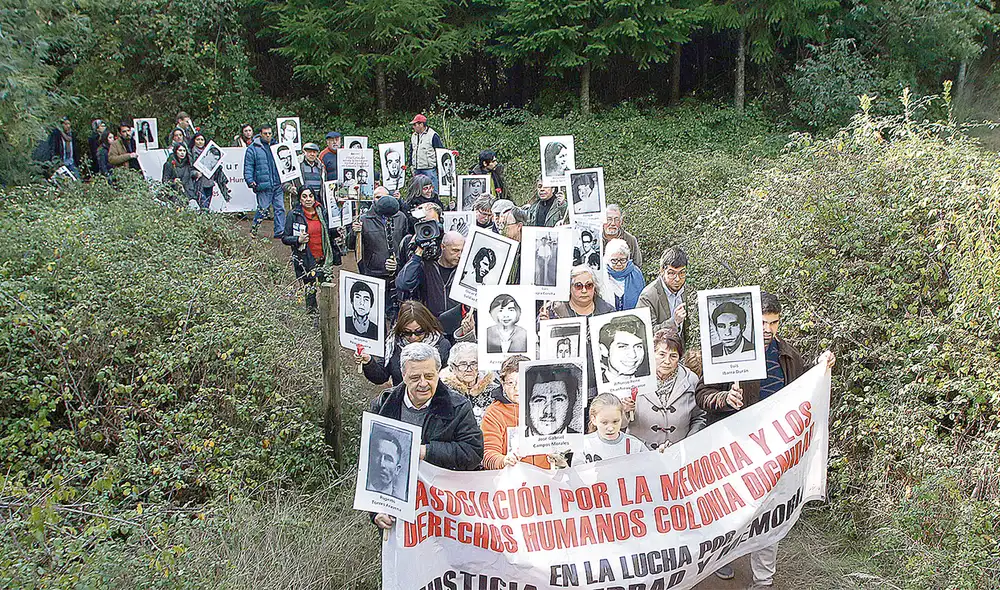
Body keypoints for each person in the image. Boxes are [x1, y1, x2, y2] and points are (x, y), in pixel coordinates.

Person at [696, 292, 837, 586]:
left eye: (774, 322)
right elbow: (702, 395)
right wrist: (725, 397)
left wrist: (822, 367)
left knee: (769, 514)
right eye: (762, 322)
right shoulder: (727, 351)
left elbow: (803, 391)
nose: (768, 329)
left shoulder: (788, 356)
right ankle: (722, 559)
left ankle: (763, 579)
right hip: (735, 448)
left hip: (774, 449)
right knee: (732, 510)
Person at [370, 342, 484, 532]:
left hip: (443, 509)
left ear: (439, 373)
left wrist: (426, 451)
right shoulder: (383, 405)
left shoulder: (458, 407)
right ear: (403, 375)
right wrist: (375, 512)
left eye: (430, 376)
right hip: (397, 511)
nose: (423, 383)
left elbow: (472, 452)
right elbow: (370, 462)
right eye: (415, 377)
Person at [539, 266, 614, 402]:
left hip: (601, 389)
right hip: (564, 387)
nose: (584, 290)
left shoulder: (608, 312)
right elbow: (538, 346)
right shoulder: (551, 311)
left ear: (595, 287)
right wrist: (542, 327)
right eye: (578, 286)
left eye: (589, 285)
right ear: (569, 288)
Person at [625, 328, 705, 450]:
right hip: (640, 455)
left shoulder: (691, 380)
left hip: (680, 455)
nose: (667, 361)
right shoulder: (632, 379)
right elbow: (617, 423)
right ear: (652, 354)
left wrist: (689, 444)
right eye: (662, 354)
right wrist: (623, 411)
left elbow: (699, 417)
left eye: (673, 356)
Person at [480, 355, 555, 469]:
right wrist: (503, 460)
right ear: (502, 384)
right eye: (510, 383)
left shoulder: (547, 407)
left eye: (522, 382)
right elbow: (487, 455)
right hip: (511, 481)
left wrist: (560, 456)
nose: (516, 388)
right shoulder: (494, 413)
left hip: (545, 480)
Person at [357, 301, 452, 386]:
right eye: (407, 333)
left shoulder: (442, 346)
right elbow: (381, 377)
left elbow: (448, 381)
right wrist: (369, 362)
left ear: (427, 327)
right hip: (401, 400)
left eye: (419, 332)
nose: (413, 337)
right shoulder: (393, 343)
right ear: (401, 330)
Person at [351, 189, 408, 320]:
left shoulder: (401, 217)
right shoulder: (364, 219)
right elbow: (350, 246)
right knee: (376, 313)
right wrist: (355, 232)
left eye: (384, 197)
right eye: (377, 197)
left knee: (395, 313)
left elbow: (405, 244)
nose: (381, 200)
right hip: (374, 273)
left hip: (396, 274)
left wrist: (398, 263)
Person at [282, 186, 336, 314]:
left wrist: (338, 232)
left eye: (310, 196)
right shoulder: (294, 215)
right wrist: (297, 239)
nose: (308, 199)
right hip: (306, 260)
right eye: (304, 196)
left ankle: (327, 316)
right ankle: (313, 319)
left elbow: (329, 232)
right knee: (310, 292)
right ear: (300, 199)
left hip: (323, 259)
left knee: (326, 289)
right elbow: (284, 238)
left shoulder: (322, 212)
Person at [395, 224, 462, 317]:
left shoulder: (464, 270)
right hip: (430, 324)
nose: (459, 255)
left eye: (462, 251)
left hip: (457, 324)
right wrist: (418, 253)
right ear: (443, 247)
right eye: (455, 250)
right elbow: (403, 283)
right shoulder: (426, 267)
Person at [574, 394, 647, 464]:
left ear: (621, 417)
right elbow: (575, 474)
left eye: (615, 421)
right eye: (604, 423)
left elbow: (651, 467)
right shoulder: (584, 445)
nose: (610, 428)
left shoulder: (635, 445)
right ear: (594, 419)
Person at [637, 245, 690, 340]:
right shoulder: (648, 296)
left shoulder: (687, 290)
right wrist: (674, 322)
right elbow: (645, 333)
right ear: (662, 271)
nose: (677, 279)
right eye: (671, 273)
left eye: (682, 273)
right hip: (660, 352)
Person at [438, 342, 497, 424]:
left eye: (474, 363)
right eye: (463, 364)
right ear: (452, 367)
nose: (469, 369)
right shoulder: (444, 392)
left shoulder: (494, 391)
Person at [244, 125, 286, 238]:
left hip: (277, 183)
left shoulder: (277, 147)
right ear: (260, 134)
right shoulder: (253, 148)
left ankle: (280, 231)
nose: (268, 135)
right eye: (265, 133)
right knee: (263, 209)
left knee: (280, 208)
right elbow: (248, 166)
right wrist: (250, 180)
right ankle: (254, 230)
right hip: (263, 184)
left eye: (270, 133)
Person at [524, 364, 581, 437]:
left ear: (571, 402)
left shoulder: (582, 441)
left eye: (558, 400)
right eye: (539, 400)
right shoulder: (514, 442)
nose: (548, 411)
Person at [598, 314, 650, 383]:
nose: (633, 355)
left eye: (638, 347)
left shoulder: (649, 383)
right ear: (603, 350)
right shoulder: (593, 388)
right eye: (622, 347)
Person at [190, 133, 230, 210]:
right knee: (203, 205)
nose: (200, 142)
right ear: (194, 141)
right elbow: (189, 170)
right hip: (198, 183)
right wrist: (195, 173)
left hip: (209, 181)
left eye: (202, 140)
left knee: (207, 204)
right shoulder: (190, 153)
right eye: (198, 139)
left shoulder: (211, 151)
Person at [605, 238, 645, 311]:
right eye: (614, 260)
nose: (619, 264)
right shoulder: (602, 274)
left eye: (623, 260)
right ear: (607, 259)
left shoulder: (636, 273)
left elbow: (643, 300)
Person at [408, 114, 444, 191]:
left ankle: (434, 202)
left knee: (432, 190)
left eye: (415, 124)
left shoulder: (433, 135)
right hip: (416, 168)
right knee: (417, 191)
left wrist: (439, 168)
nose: (413, 127)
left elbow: (440, 152)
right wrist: (411, 164)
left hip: (429, 169)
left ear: (421, 124)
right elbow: (412, 151)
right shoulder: (413, 136)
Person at [366, 432, 404, 498]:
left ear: (397, 469)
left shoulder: (400, 499)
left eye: (388, 459)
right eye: (377, 456)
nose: (381, 464)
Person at [498, 206, 526, 283]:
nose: (501, 230)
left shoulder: (528, 251)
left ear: (519, 226)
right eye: (500, 225)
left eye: (505, 224)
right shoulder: (499, 247)